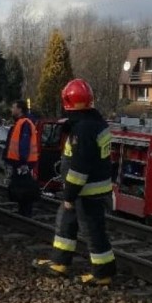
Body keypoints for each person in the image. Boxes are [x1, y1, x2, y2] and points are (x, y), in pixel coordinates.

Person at [33, 79, 116, 286]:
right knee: (65, 224)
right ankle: (60, 262)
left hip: (85, 191)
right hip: (88, 189)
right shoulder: (95, 123)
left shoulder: (83, 130)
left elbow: (80, 167)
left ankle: (103, 273)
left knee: (93, 231)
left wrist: (69, 195)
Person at [3, 100, 40, 217]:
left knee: (24, 188)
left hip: (22, 163)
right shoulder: (22, 122)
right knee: (22, 187)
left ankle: (25, 213)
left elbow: (24, 144)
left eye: (13, 107)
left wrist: (23, 163)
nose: (11, 110)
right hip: (21, 162)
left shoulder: (24, 123)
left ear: (20, 109)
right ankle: (23, 211)